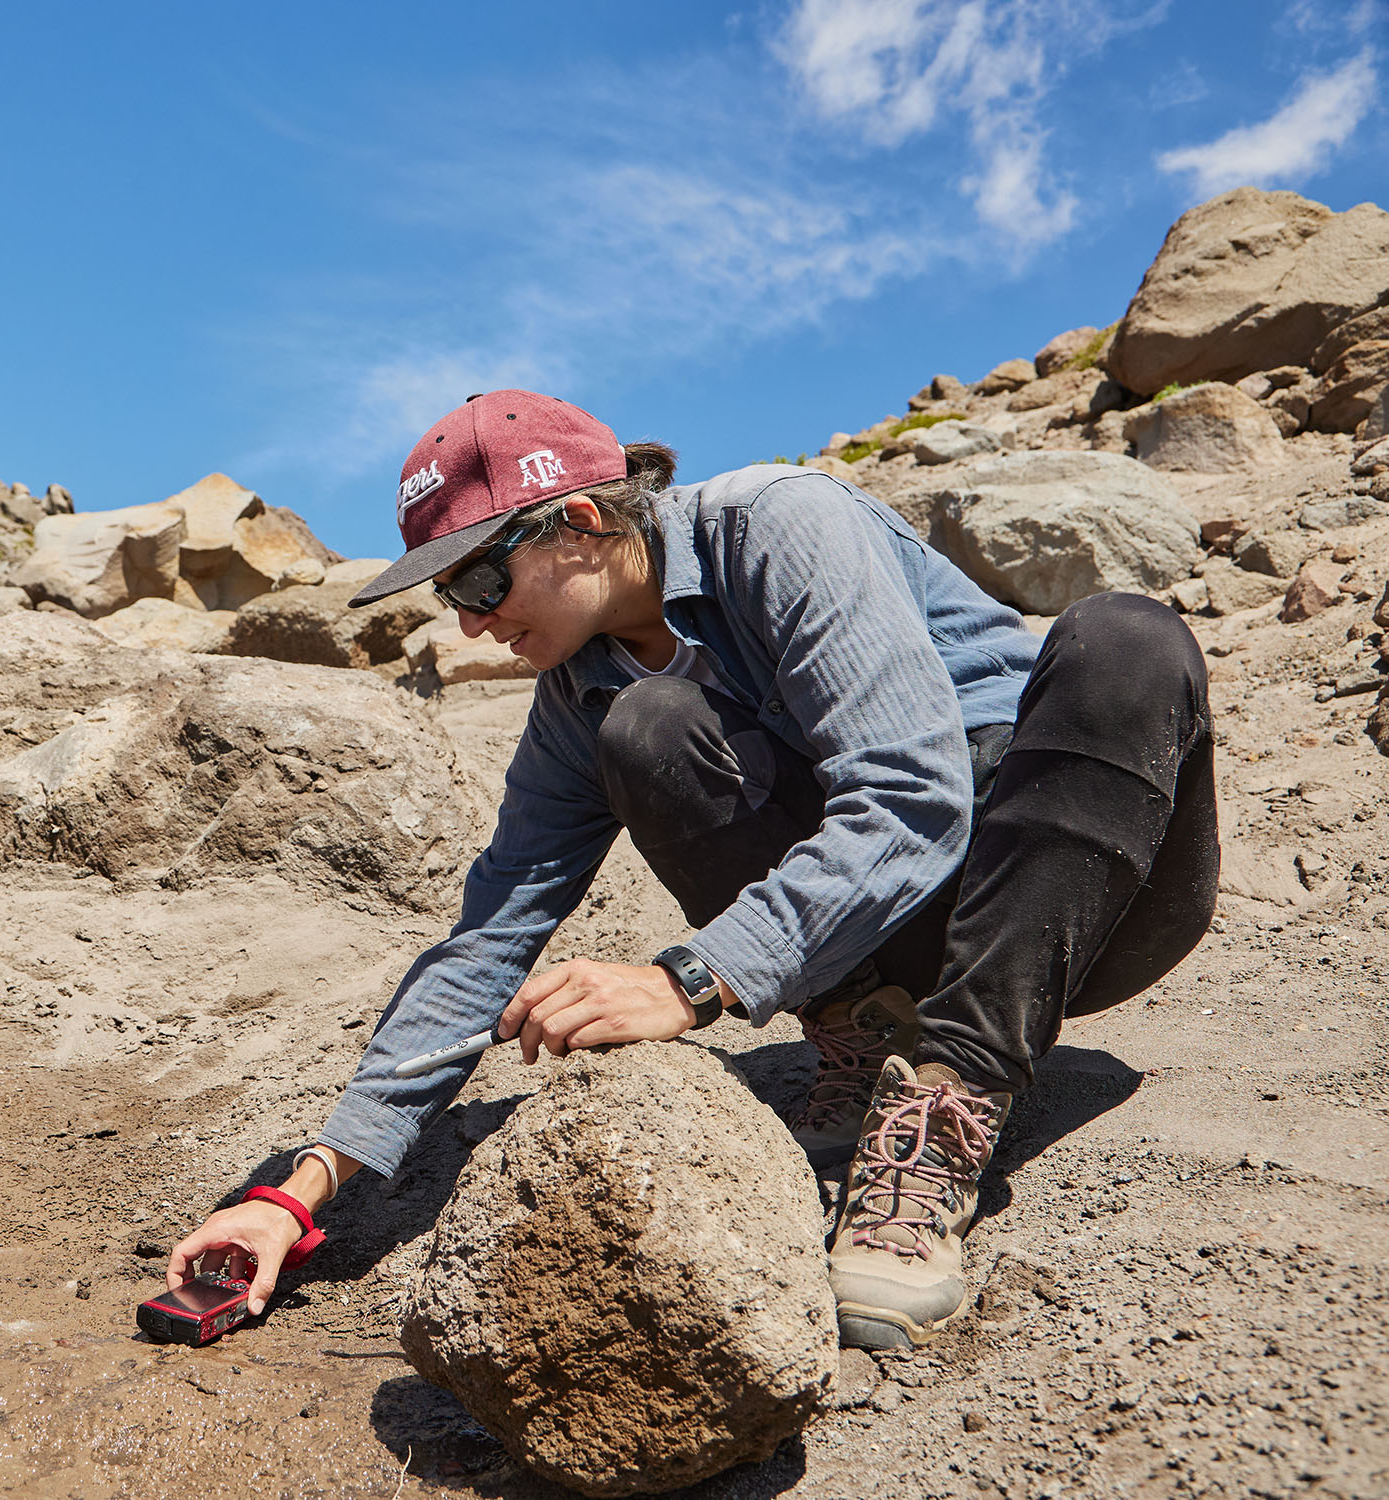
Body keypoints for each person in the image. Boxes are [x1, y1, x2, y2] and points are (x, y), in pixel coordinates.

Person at [167, 390, 1217, 1351]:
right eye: (452, 595)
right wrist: (302, 1191)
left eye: (481, 578)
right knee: (651, 726)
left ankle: (941, 1109)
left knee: (1126, 636)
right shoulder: (580, 699)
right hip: (899, 931)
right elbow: (486, 941)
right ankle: (867, 1035)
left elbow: (913, 797)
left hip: (1083, 890)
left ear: (580, 523)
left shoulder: (781, 523)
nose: (470, 621)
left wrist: (687, 980)